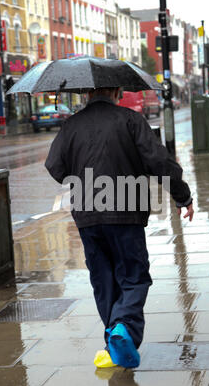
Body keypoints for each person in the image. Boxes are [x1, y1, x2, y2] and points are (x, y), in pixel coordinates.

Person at [45, 87, 194, 369]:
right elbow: (159, 162)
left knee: (104, 281)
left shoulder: (71, 124)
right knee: (134, 277)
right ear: (116, 90)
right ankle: (122, 327)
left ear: (88, 92)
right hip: (126, 210)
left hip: (87, 214)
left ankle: (112, 341)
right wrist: (182, 196)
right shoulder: (130, 120)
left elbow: (54, 166)